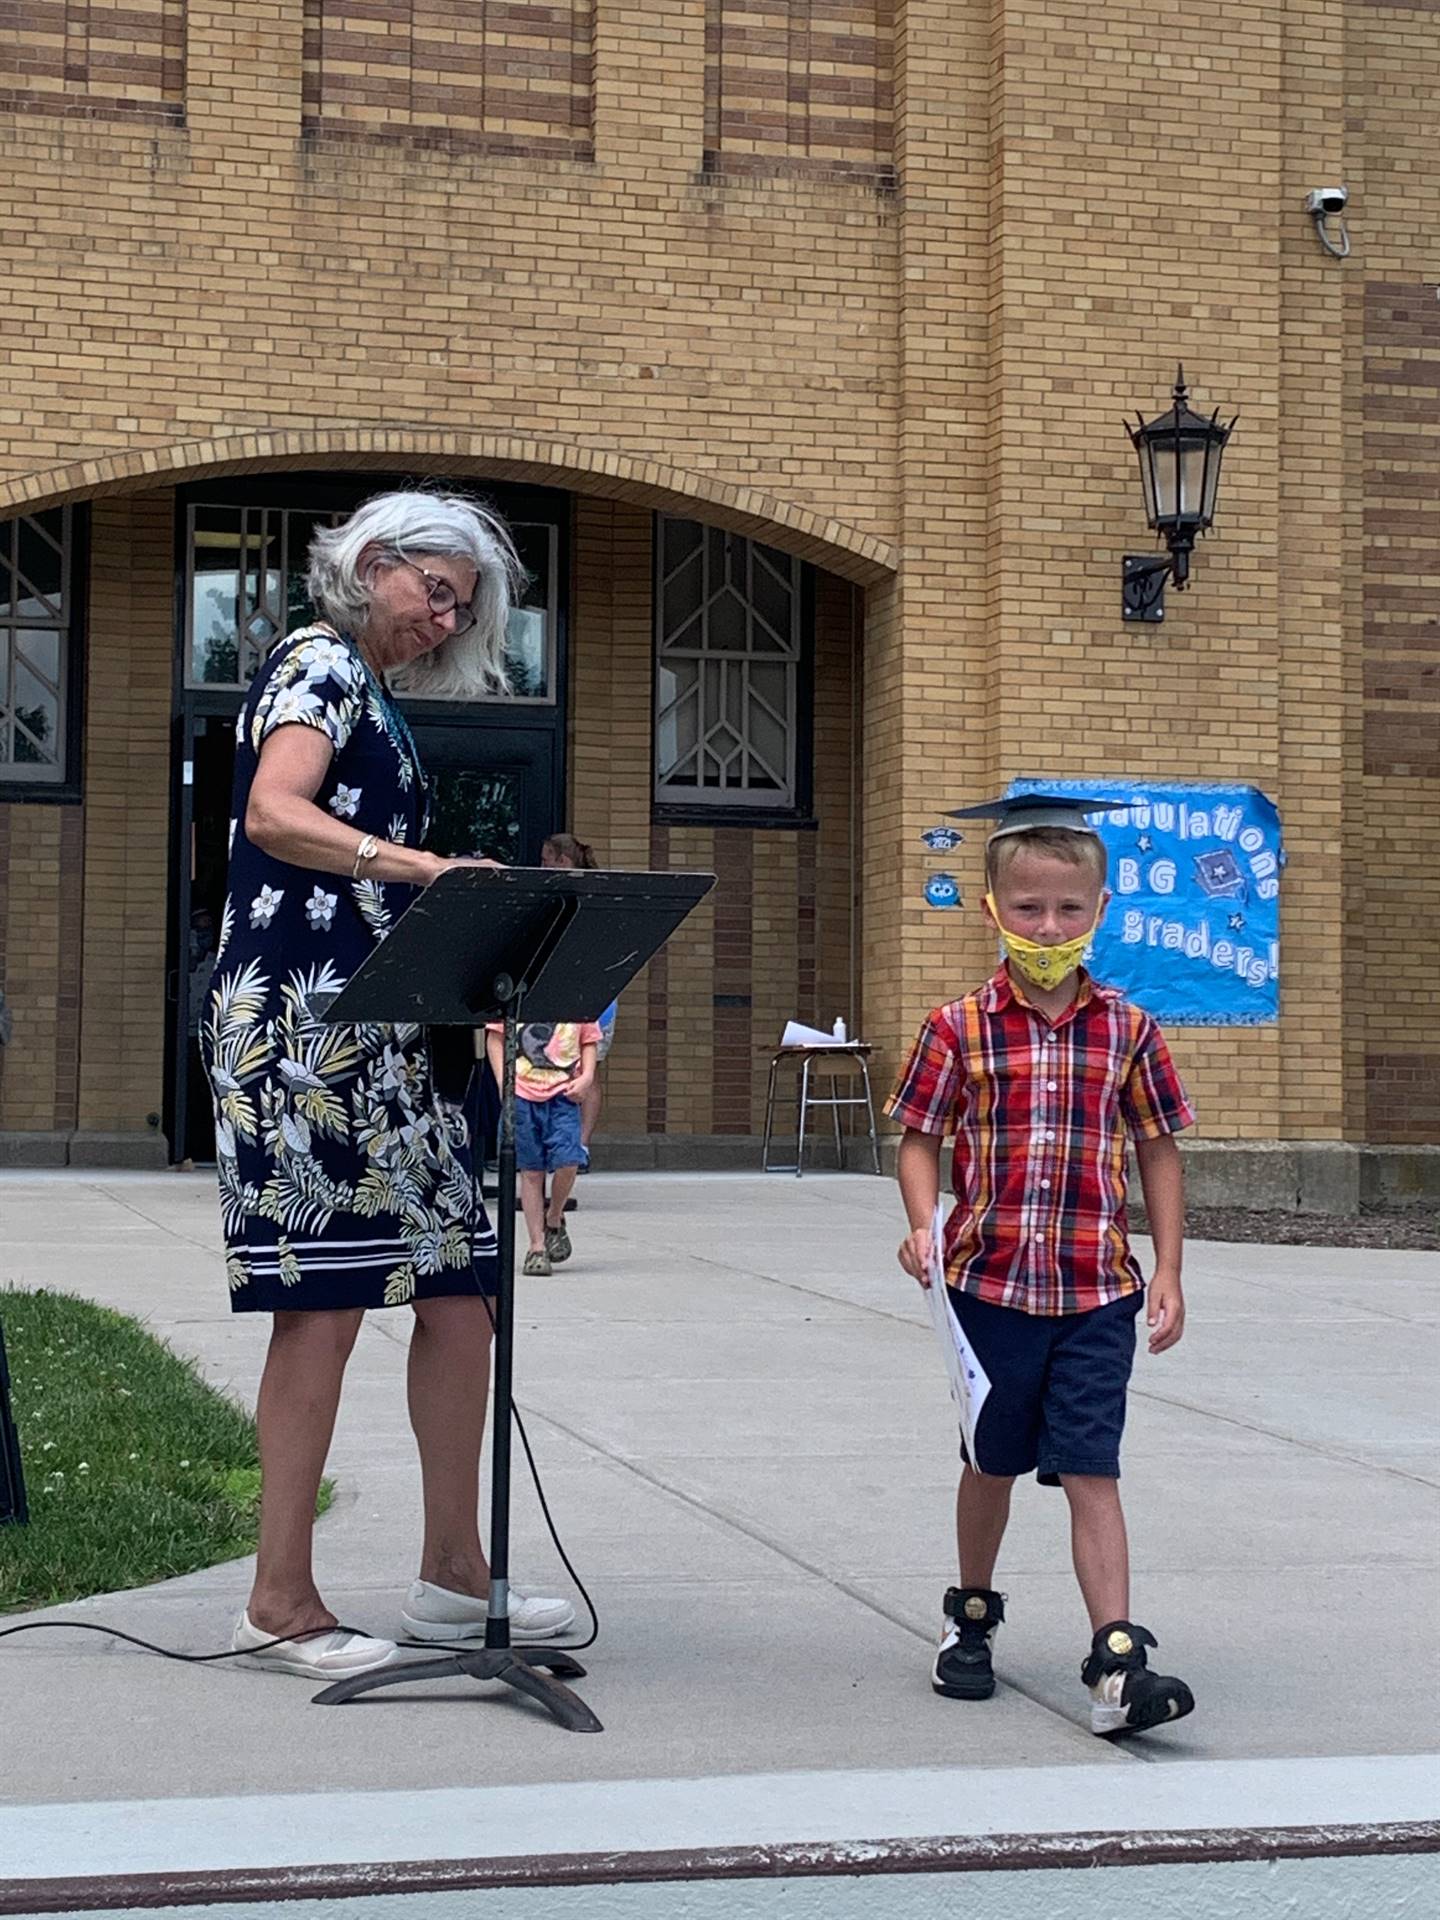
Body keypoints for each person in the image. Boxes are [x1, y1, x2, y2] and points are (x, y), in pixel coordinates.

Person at [201, 489, 574, 1679]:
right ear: (373, 561)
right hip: (309, 1035)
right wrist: (426, 866)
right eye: (436, 587)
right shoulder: (317, 661)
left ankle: (455, 1574)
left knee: (462, 1290)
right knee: (326, 1297)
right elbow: (274, 812)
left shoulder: (377, 696)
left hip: (398, 1039)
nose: (445, 615)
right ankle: (279, 1598)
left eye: (461, 607)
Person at [887, 791, 1196, 1739]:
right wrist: (922, 1223)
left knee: (1093, 1468)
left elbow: (1159, 1149)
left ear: (1098, 911)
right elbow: (917, 1137)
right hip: (989, 1289)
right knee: (992, 1463)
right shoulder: (958, 1027)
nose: (1048, 927)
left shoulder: (1129, 1030)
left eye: (1068, 909)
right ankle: (969, 1616)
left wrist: (1171, 1268)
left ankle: (1116, 1659)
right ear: (993, 908)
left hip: (1098, 1290)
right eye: (1028, 908)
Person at [485, 1013, 600, 1276]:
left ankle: (554, 1215)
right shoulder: (519, 996)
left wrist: (587, 1077)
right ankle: (536, 1246)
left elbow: (589, 1040)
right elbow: (495, 1036)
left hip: (564, 1095)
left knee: (569, 1161)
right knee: (532, 1172)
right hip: (523, 1095)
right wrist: (505, 1081)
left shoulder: (576, 997)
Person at [539, 834, 615, 1169]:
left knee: (587, 1069)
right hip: (561, 995)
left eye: (547, 859)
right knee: (559, 1066)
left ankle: (580, 1145)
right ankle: (560, 1142)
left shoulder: (588, 896)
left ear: (564, 862)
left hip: (592, 995)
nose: (542, 866)